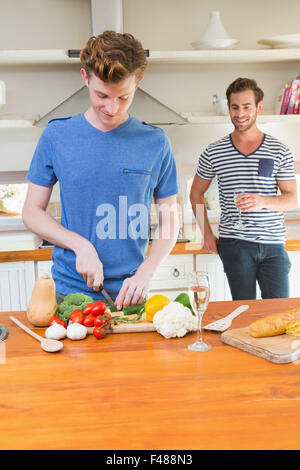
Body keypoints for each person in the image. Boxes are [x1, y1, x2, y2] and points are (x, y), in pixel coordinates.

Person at [22, 31, 179, 310]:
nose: (112, 107)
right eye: (102, 95)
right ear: (85, 78)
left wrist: (147, 270)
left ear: (138, 83)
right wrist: (81, 246)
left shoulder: (155, 142)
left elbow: (170, 221)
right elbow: (32, 211)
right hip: (71, 292)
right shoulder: (57, 135)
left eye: (123, 97)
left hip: (131, 295)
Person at [190, 77, 297, 300]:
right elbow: (196, 193)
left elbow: (291, 199)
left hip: (273, 245)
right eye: (235, 107)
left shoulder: (279, 150)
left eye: (246, 107)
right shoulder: (214, 152)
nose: (240, 114)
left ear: (258, 107)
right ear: (228, 108)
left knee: (278, 312)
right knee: (242, 311)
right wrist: (207, 233)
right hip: (235, 245)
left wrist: (262, 201)